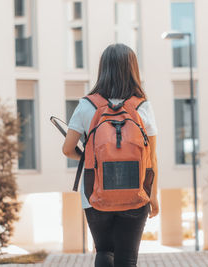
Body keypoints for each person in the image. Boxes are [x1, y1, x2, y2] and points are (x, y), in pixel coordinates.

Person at [62, 43, 159, 267]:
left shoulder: (87, 106)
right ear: (133, 69)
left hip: (95, 194)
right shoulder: (142, 107)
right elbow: (152, 159)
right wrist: (153, 197)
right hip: (136, 194)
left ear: (103, 69)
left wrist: (89, 159)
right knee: (127, 258)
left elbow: (67, 149)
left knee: (104, 251)